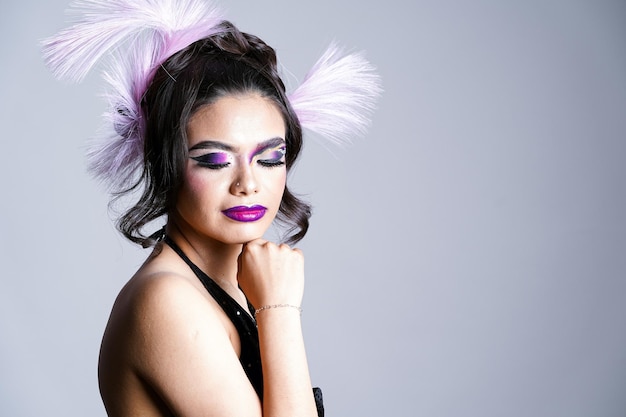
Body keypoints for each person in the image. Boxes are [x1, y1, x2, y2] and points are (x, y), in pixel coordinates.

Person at [43, 1, 380, 416]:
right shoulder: (166, 300)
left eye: (270, 158)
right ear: (167, 165)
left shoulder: (223, 285)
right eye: (215, 161)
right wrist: (279, 310)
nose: (248, 184)